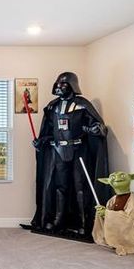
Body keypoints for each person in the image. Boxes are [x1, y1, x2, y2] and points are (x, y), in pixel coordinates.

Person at [31, 72, 111, 238]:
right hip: (58, 151)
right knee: (60, 186)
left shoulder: (82, 105)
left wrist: (96, 130)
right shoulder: (52, 107)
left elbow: (98, 126)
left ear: (73, 86)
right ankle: (58, 221)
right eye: (58, 84)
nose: (59, 87)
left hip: (78, 151)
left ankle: (83, 223)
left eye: (64, 84)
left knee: (80, 187)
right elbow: (49, 131)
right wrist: (41, 141)